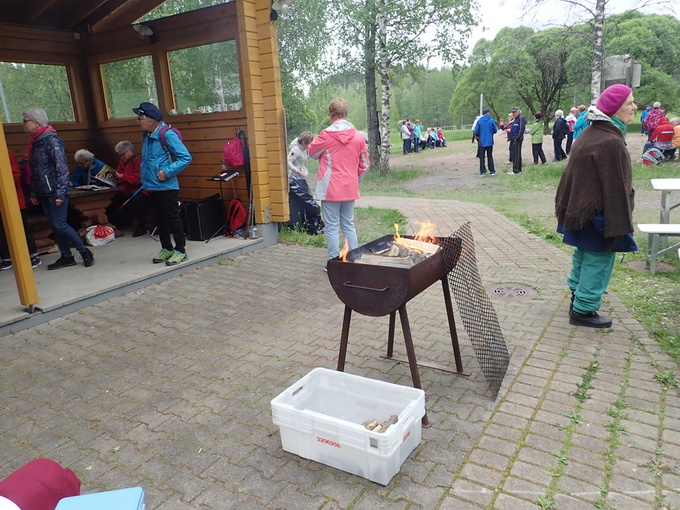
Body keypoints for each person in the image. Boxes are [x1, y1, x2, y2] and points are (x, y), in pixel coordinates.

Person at [555, 84, 638, 328]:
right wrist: (618, 226)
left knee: (583, 255)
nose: (635, 107)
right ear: (615, 108)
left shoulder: (592, 132)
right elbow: (616, 189)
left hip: (582, 209)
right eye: (630, 103)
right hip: (598, 214)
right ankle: (583, 310)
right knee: (598, 260)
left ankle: (578, 296)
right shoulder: (609, 141)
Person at [23, 107, 94, 270]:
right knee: (54, 225)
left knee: (60, 224)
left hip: (55, 190)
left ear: (37, 123)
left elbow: (61, 168)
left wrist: (60, 192)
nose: (23, 124)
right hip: (44, 190)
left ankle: (84, 251)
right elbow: (36, 169)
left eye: (25, 121)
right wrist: (34, 191)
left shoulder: (51, 140)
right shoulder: (35, 142)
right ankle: (66, 256)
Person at [308, 98, 369, 263]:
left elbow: (312, 153)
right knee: (348, 224)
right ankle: (354, 260)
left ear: (331, 115)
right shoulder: (358, 137)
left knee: (332, 227)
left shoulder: (325, 135)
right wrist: (356, 180)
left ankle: (333, 263)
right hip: (349, 187)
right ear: (346, 114)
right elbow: (365, 164)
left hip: (330, 189)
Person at [133, 101, 192, 266]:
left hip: (166, 186)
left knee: (173, 218)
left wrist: (166, 172)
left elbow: (185, 157)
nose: (138, 121)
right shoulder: (147, 136)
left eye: (140, 118)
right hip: (151, 186)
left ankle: (180, 250)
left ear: (150, 120)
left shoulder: (167, 135)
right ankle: (166, 248)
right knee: (159, 219)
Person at [0, 150, 41, 270]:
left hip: (13, 199)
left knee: (22, 228)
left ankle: (33, 255)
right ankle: (6, 258)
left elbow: (16, 176)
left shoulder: (6, 153)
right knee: (1, 231)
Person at [105, 141, 148, 237]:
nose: (121, 157)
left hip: (139, 190)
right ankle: (114, 225)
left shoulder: (138, 160)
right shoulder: (123, 161)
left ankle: (141, 227)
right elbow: (119, 173)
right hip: (124, 189)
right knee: (111, 202)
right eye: (120, 155)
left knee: (137, 202)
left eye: (122, 154)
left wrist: (122, 177)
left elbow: (138, 180)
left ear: (129, 151)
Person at [473, 108, 497, 176]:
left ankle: (482, 171)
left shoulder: (479, 121)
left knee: (482, 157)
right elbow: (495, 130)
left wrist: (480, 134)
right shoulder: (491, 120)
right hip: (489, 141)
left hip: (482, 141)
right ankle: (492, 170)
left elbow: (475, 131)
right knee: (490, 156)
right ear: (488, 113)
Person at [508, 107, 526, 174]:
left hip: (517, 140)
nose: (513, 113)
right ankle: (516, 169)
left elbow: (521, 129)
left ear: (518, 112)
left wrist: (517, 138)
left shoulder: (521, 118)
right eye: (512, 112)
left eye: (515, 112)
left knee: (517, 155)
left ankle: (516, 170)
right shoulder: (515, 119)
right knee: (515, 154)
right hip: (513, 139)